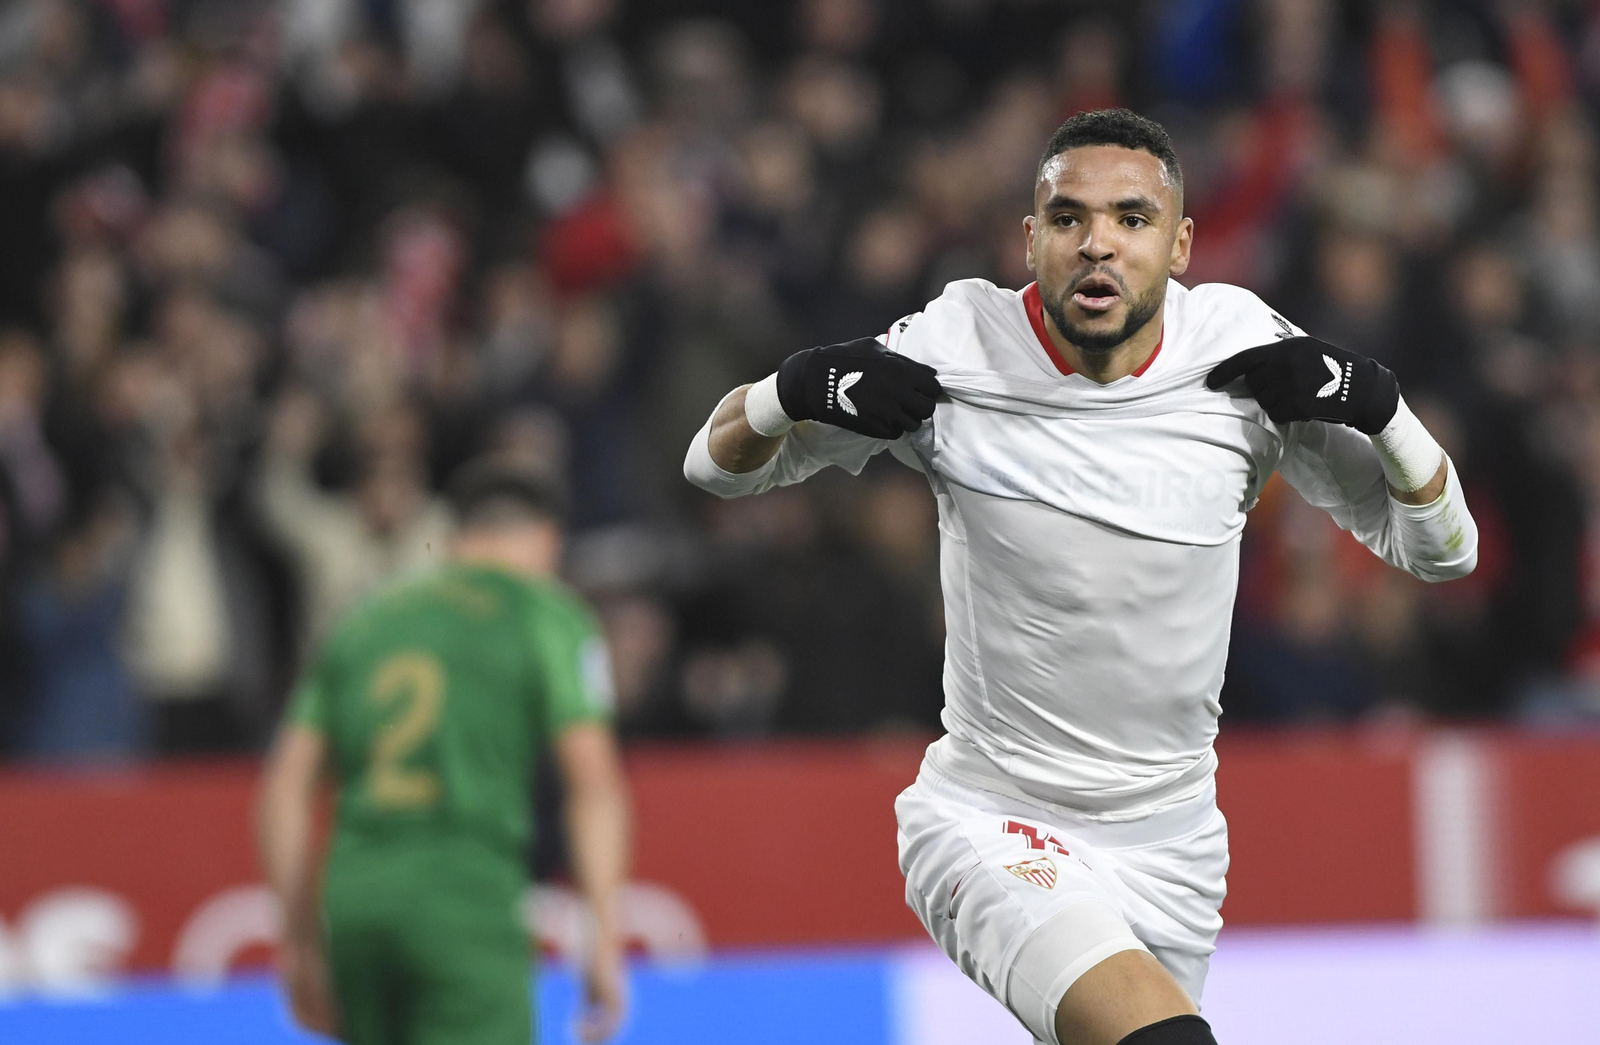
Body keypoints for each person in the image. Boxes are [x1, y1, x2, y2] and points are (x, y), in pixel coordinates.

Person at [684, 108, 1477, 1045]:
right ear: (1031, 240)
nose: (1098, 242)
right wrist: (795, 388)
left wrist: (1383, 410)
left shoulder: (1240, 350)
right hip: (993, 820)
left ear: (1182, 243)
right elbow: (713, 463)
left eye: (1132, 219)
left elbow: (1441, 550)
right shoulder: (957, 342)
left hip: (1174, 843)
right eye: (1069, 219)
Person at [256, 462, 630, 1045]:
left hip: (358, 897)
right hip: (464, 897)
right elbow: (594, 788)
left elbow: (284, 788)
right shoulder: (546, 615)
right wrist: (603, 943)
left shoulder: (364, 622)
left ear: (454, 540)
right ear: (548, 540)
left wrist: (300, 939)